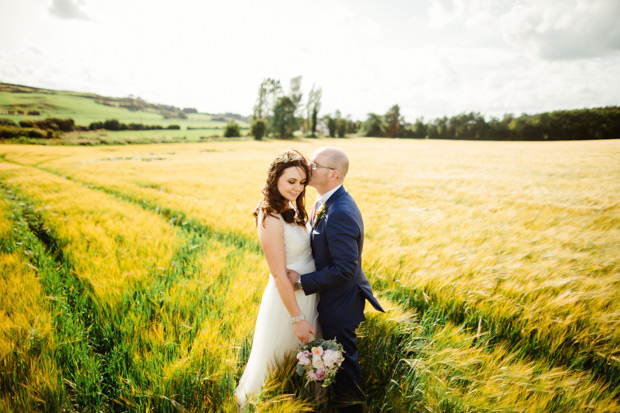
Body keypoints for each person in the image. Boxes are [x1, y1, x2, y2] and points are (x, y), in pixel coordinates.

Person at [287, 146, 384, 412]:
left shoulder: (339, 210)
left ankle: (352, 408)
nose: (308, 168)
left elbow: (345, 268)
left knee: (344, 364)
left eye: (314, 164)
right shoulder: (323, 201)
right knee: (334, 361)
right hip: (330, 297)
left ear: (335, 175)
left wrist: (301, 282)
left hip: (341, 302)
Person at [234, 149, 320, 407]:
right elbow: (278, 274)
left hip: (307, 289)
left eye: (302, 182)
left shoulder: (289, 205)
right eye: (291, 181)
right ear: (275, 179)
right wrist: (297, 319)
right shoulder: (269, 215)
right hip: (289, 299)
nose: (298, 188)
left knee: (302, 359)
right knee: (277, 360)